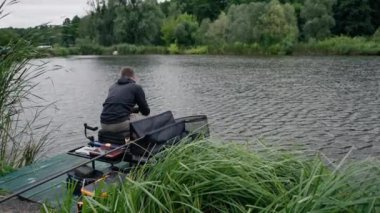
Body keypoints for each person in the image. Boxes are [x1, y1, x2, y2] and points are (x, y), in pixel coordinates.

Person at [100, 67, 150, 133]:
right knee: (148, 121)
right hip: (119, 124)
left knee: (130, 117)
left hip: (103, 124)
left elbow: (116, 106)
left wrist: (135, 110)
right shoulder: (136, 87)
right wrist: (140, 109)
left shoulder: (113, 87)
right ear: (133, 76)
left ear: (121, 76)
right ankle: (142, 142)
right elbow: (145, 112)